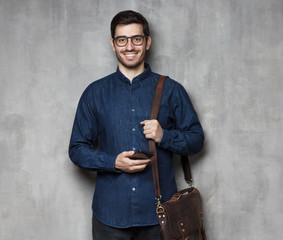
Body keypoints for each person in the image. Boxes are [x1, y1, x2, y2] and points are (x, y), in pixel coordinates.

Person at [68, 10, 204, 240]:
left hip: (160, 215)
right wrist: (113, 162)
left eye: (136, 39)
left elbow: (197, 139)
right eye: (122, 39)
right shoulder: (94, 93)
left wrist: (164, 136)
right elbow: (77, 150)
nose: (129, 46)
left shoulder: (172, 90)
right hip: (109, 216)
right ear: (113, 44)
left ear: (147, 42)